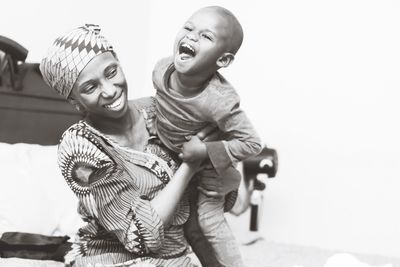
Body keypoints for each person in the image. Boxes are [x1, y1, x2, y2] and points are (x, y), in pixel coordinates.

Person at [40, 24, 214, 267]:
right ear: (75, 101)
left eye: (111, 72)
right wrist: (190, 165)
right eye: (90, 87)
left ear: (119, 63)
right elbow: (142, 237)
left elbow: (219, 198)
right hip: (111, 259)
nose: (110, 91)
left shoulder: (162, 110)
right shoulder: (79, 147)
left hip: (177, 257)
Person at [152, 6, 262, 267]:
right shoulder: (160, 71)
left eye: (206, 36)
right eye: (188, 28)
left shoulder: (219, 101)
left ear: (222, 61)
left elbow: (253, 143)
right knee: (190, 228)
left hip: (209, 165)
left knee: (208, 222)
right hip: (179, 160)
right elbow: (159, 108)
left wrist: (203, 152)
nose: (191, 37)